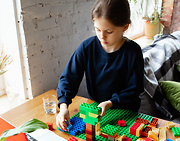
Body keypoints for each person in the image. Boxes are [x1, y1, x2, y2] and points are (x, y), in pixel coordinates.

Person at [56, 0, 144, 131]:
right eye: (97, 29)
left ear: (124, 27)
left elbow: (135, 88)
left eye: (109, 31)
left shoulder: (133, 52)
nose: (102, 36)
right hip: (95, 109)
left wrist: (110, 103)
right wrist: (63, 107)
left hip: (125, 113)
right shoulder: (87, 47)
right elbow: (69, 79)